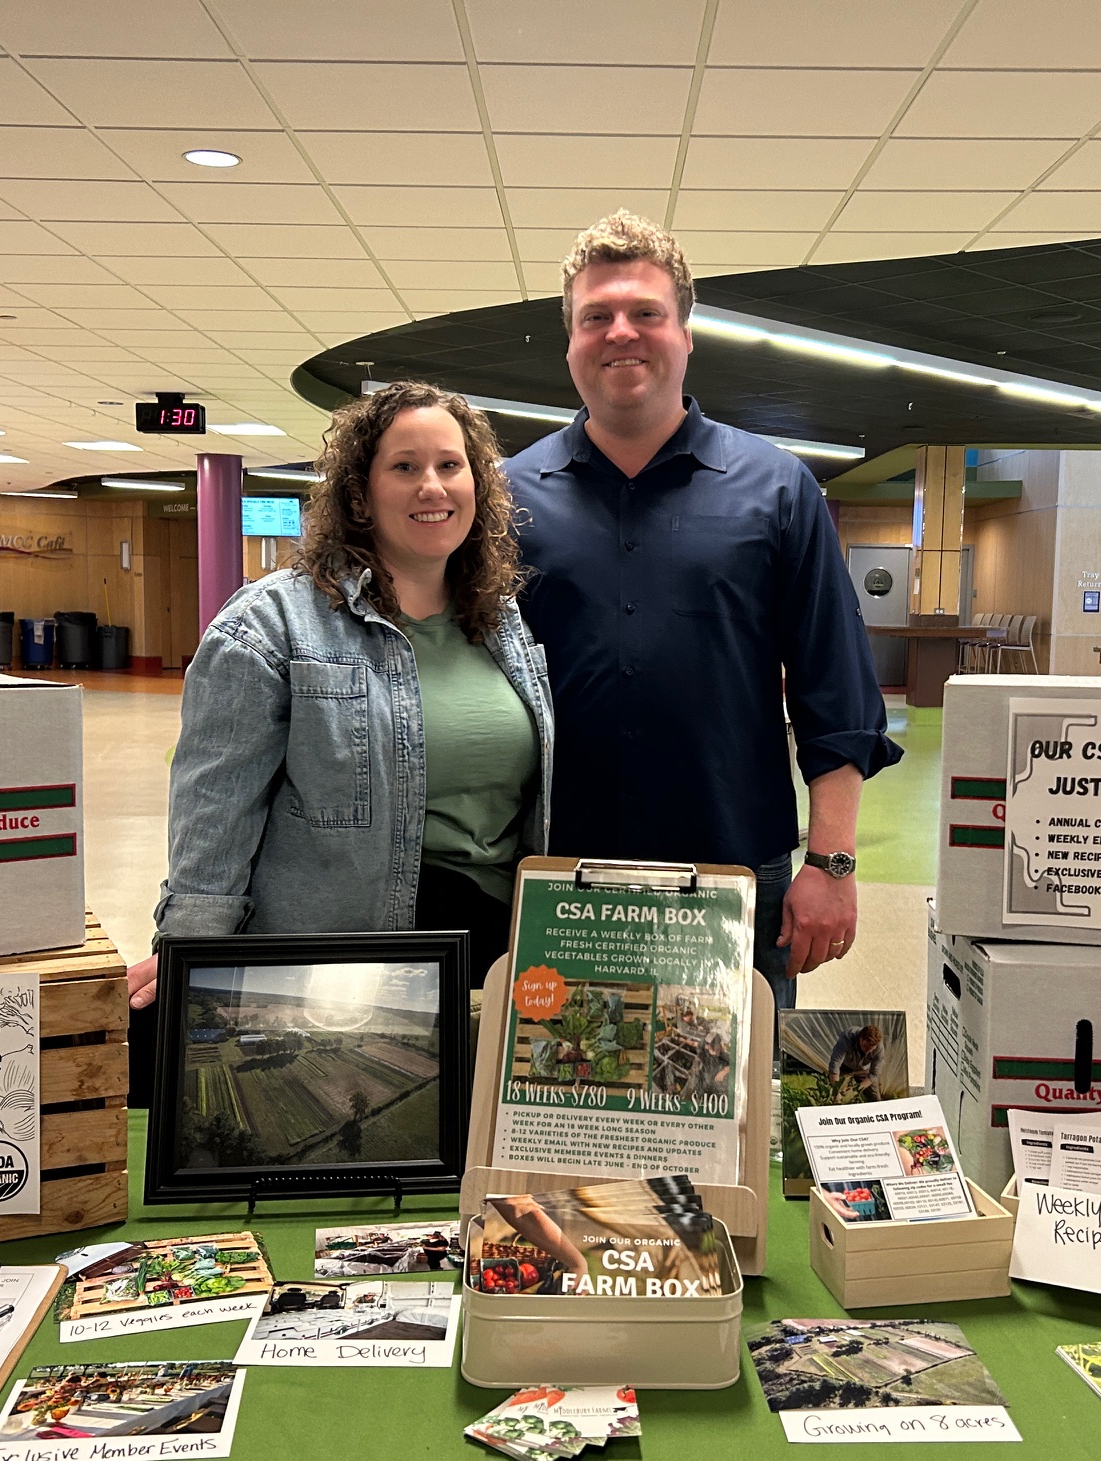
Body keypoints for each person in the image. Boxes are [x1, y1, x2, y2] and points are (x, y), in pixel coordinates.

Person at [505, 210, 901, 1016]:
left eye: (646, 312)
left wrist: (832, 863)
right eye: (596, 316)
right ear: (571, 342)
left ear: (685, 333)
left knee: (732, 1119)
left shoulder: (779, 489)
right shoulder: (507, 499)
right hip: (553, 882)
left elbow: (836, 687)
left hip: (730, 877)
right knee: (566, 1107)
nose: (622, 332)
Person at [127, 380, 554, 1021]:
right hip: (339, 965)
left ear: (478, 486)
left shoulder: (500, 622)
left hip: (494, 951)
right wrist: (191, 952)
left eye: (450, 465)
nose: (431, 487)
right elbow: (215, 809)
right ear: (360, 492)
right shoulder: (271, 626)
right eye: (403, 467)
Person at [826, 1021, 885, 1096]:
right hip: (844, 1067)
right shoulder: (847, 1038)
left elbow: (874, 1074)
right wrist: (836, 1092)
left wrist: (856, 1089)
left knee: (874, 1097)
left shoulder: (879, 1048)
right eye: (865, 1047)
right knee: (834, 1094)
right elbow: (835, 1064)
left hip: (864, 1070)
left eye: (871, 1049)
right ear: (860, 1038)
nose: (868, 1051)